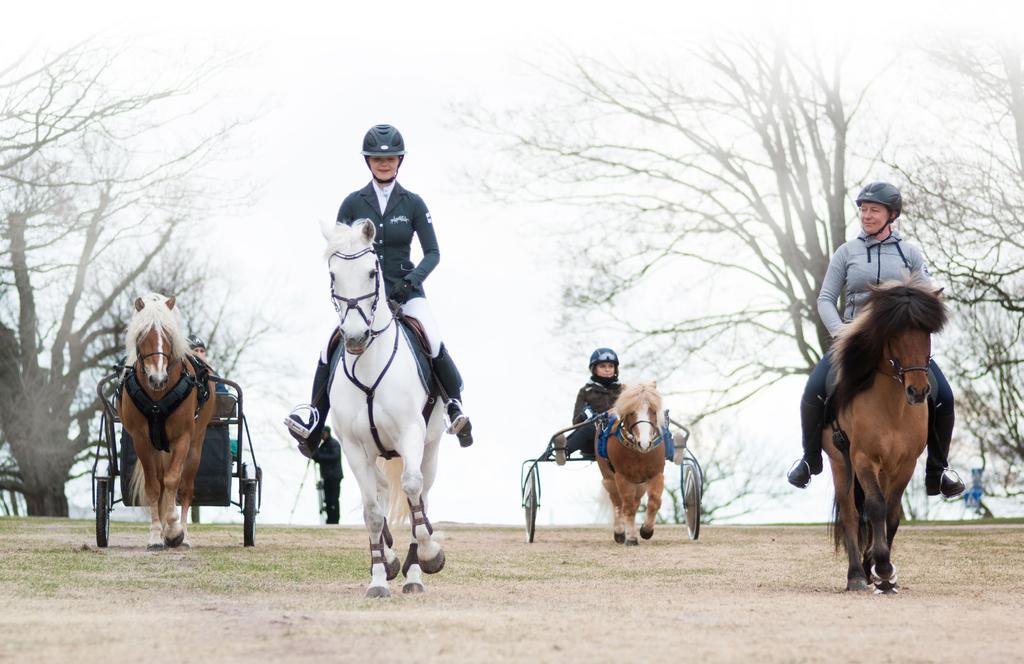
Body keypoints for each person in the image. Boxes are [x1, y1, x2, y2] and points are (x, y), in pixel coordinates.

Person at [285, 123, 473, 456]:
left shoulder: (413, 203)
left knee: (432, 337)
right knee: (330, 345)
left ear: (400, 161)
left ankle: (454, 406)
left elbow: (433, 253)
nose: (383, 165)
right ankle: (314, 416)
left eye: (389, 160)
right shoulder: (353, 203)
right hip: (362, 295)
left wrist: (411, 283)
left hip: (407, 290)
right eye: (376, 159)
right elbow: (339, 249)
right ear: (368, 162)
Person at [785, 181, 965, 498]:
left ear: (890, 215)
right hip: (855, 340)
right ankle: (809, 459)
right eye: (864, 210)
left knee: (944, 397)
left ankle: (939, 470)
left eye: (874, 210)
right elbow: (825, 298)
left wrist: (932, 298)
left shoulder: (909, 252)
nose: (867, 216)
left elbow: (924, 296)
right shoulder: (847, 252)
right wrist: (840, 331)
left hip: (900, 345)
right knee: (814, 390)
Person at [553, 348, 622, 464]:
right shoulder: (586, 391)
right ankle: (563, 450)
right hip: (595, 439)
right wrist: (590, 415)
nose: (607, 369)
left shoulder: (623, 390)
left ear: (615, 369)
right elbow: (576, 421)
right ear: (594, 369)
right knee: (589, 428)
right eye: (603, 366)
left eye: (610, 366)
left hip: (619, 437)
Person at [312, 425, 343, 524]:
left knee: (334, 499)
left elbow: (334, 456)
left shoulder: (334, 444)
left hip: (334, 476)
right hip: (326, 477)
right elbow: (318, 458)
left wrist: (319, 456)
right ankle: (330, 520)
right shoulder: (323, 445)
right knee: (328, 500)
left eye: (324, 434)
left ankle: (335, 520)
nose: (322, 436)